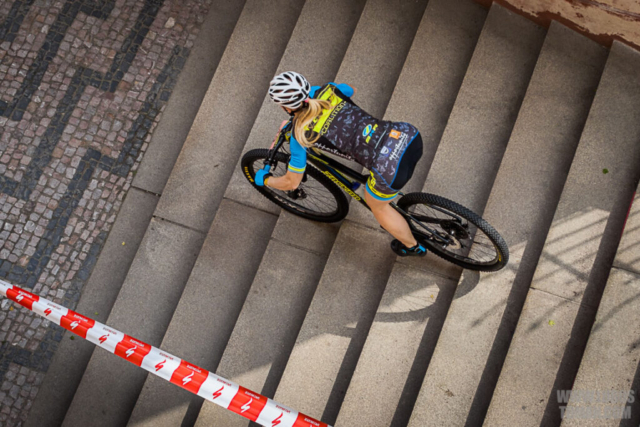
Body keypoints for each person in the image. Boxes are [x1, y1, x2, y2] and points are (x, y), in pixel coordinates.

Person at [255, 71, 426, 257]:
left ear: (286, 108)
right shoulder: (329, 89)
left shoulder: (301, 134)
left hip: (390, 169)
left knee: (378, 207)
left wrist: (266, 180)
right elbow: (351, 89)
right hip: (408, 135)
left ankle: (412, 247)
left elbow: (292, 182)